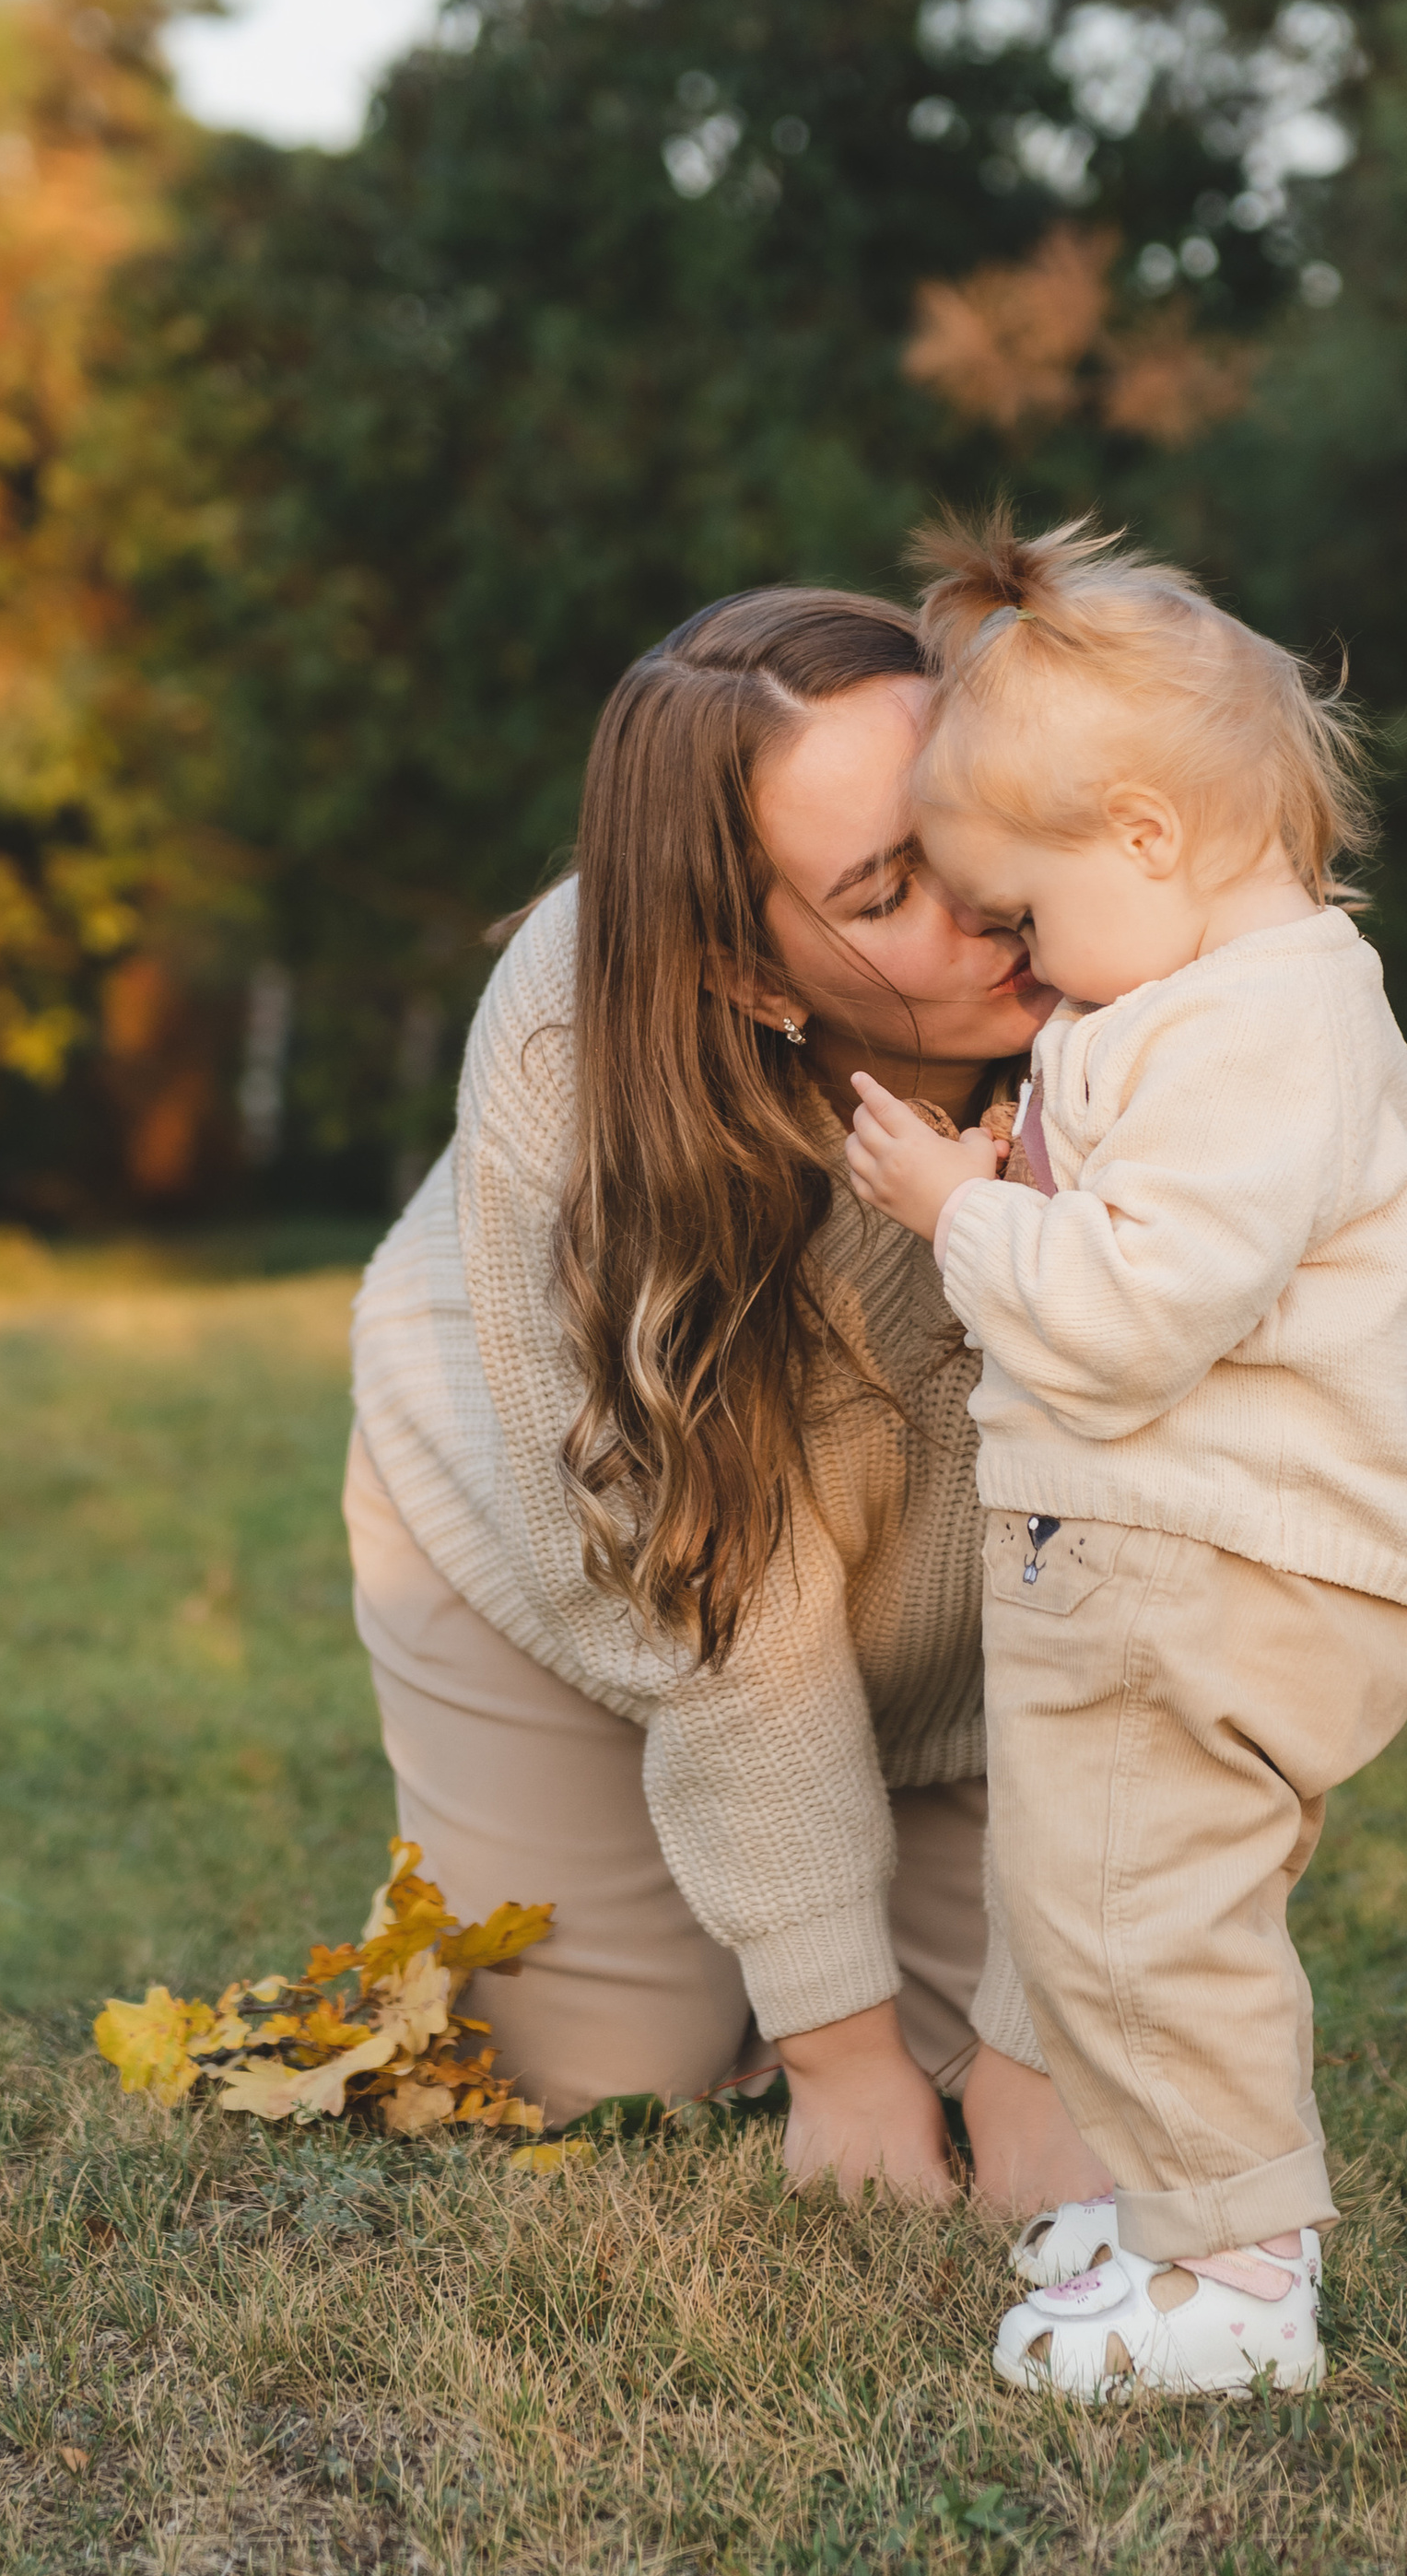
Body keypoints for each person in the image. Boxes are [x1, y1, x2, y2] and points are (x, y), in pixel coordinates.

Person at [346, 584, 1114, 2217]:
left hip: (962, 1609)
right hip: (583, 1538)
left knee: (1034, 2070)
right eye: (887, 887)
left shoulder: (1157, 920)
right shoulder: (578, 1064)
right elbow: (723, 1601)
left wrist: (1038, 2053)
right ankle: (679, 1897)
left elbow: (1238, 1542)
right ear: (745, 968)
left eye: (962, 815)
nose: (992, 898)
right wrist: (837, 2056)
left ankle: (816, 1879)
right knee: (625, 2073)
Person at [845, 512, 1407, 2396]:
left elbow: (1131, 1314)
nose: (1011, 963)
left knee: (1144, 1919)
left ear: (1141, 837)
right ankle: (1167, 2210)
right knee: (1101, 1903)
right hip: (1167, 1554)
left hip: (1203, 1566)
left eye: (1021, 919)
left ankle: (1238, 2280)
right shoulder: (1208, 1009)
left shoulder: (1263, 1033)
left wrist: (956, 1208)